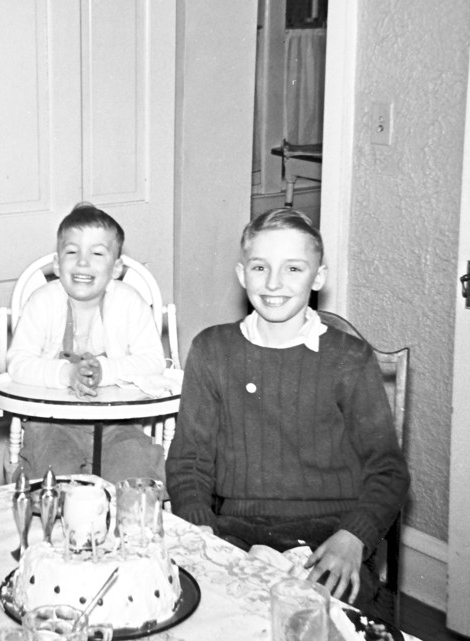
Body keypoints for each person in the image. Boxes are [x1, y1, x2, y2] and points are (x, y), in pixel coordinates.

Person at [165, 208, 409, 610]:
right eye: (260, 267)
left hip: (329, 537)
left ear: (319, 277)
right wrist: (202, 535)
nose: (273, 283)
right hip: (234, 532)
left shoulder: (349, 358)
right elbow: (189, 460)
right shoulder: (212, 350)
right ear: (242, 274)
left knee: (314, 619)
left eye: (293, 268)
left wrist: (354, 538)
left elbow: (388, 470)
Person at [7, 202, 168, 483]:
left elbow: (153, 361)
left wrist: (106, 371)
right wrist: (66, 374)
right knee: (54, 476)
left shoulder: (130, 303)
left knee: (134, 474)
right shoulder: (42, 303)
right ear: (57, 263)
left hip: (119, 423)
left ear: (116, 267)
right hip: (51, 423)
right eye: (72, 252)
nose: (83, 262)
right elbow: (18, 363)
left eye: (97, 253)